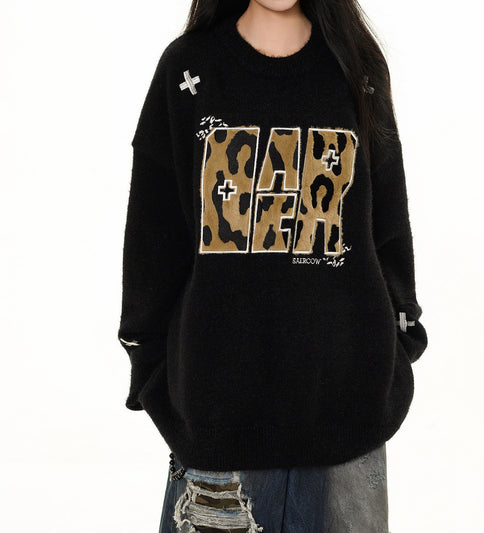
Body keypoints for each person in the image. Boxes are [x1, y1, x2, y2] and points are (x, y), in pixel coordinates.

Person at [117, 1, 429, 531]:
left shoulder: (356, 65)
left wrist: (400, 338)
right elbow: (153, 235)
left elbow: (389, 223)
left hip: (349, 418)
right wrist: (149, 365)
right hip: (216, 423)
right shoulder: (188, 71)